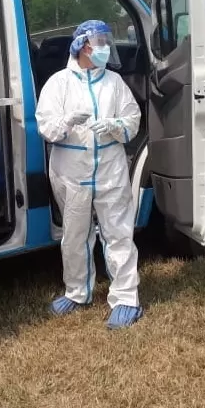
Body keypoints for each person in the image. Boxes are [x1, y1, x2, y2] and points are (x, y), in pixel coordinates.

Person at [35, 19, 144, 329]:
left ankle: (125, 299)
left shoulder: (115, 82)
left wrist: (115, 127)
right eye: (100, 42)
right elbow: (46, 127)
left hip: (110, 169)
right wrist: (68, 121)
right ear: (83, 45)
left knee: (118, 233)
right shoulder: (58, 83)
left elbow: (132, 119)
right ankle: (77, 292)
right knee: (75, 235)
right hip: (72, 173)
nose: (106, 47)